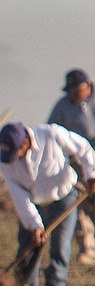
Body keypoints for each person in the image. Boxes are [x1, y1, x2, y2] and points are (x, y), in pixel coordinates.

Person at [0, 122, 95, 286]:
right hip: (33, 203)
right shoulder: (5, 161)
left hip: (64, 197)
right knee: (29, 244)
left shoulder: (51, 134)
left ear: (25, 143)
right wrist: (34, 223)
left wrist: (91, 175)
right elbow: (18, 194)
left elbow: (83, 149)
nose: (14, 158)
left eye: (16, 152)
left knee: (60, 246)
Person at [48, 68, 95, 264]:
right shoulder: (62, 106)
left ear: (88, 86)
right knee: (79, 206)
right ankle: (87, 249)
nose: (74, 94)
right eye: (71, 90)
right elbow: (52, 132)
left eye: (77, 89)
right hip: (76, 165)